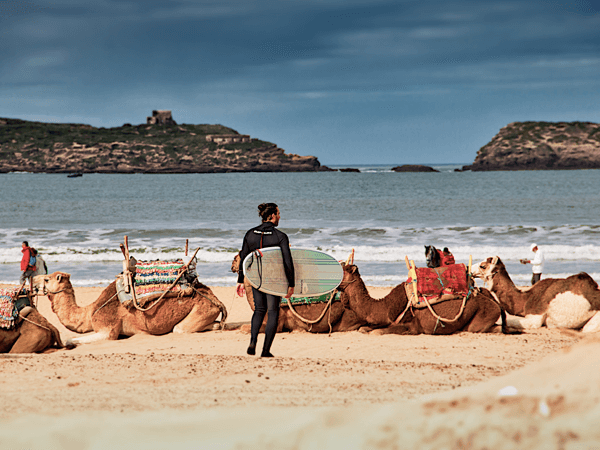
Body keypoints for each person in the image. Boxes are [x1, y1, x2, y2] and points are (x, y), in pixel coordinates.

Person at [236, 203, 294, 358]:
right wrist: (291, 283)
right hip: (273, 279)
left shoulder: (249, 234)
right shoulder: (280, 236)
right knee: (273, 312)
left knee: (259, 310)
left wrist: (240, 280)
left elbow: (244, 259)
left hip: (257, 278)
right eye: (279, 213)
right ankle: (265, 350)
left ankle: (253, 342)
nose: (280, 217)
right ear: (273, 215)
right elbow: (288, 262)